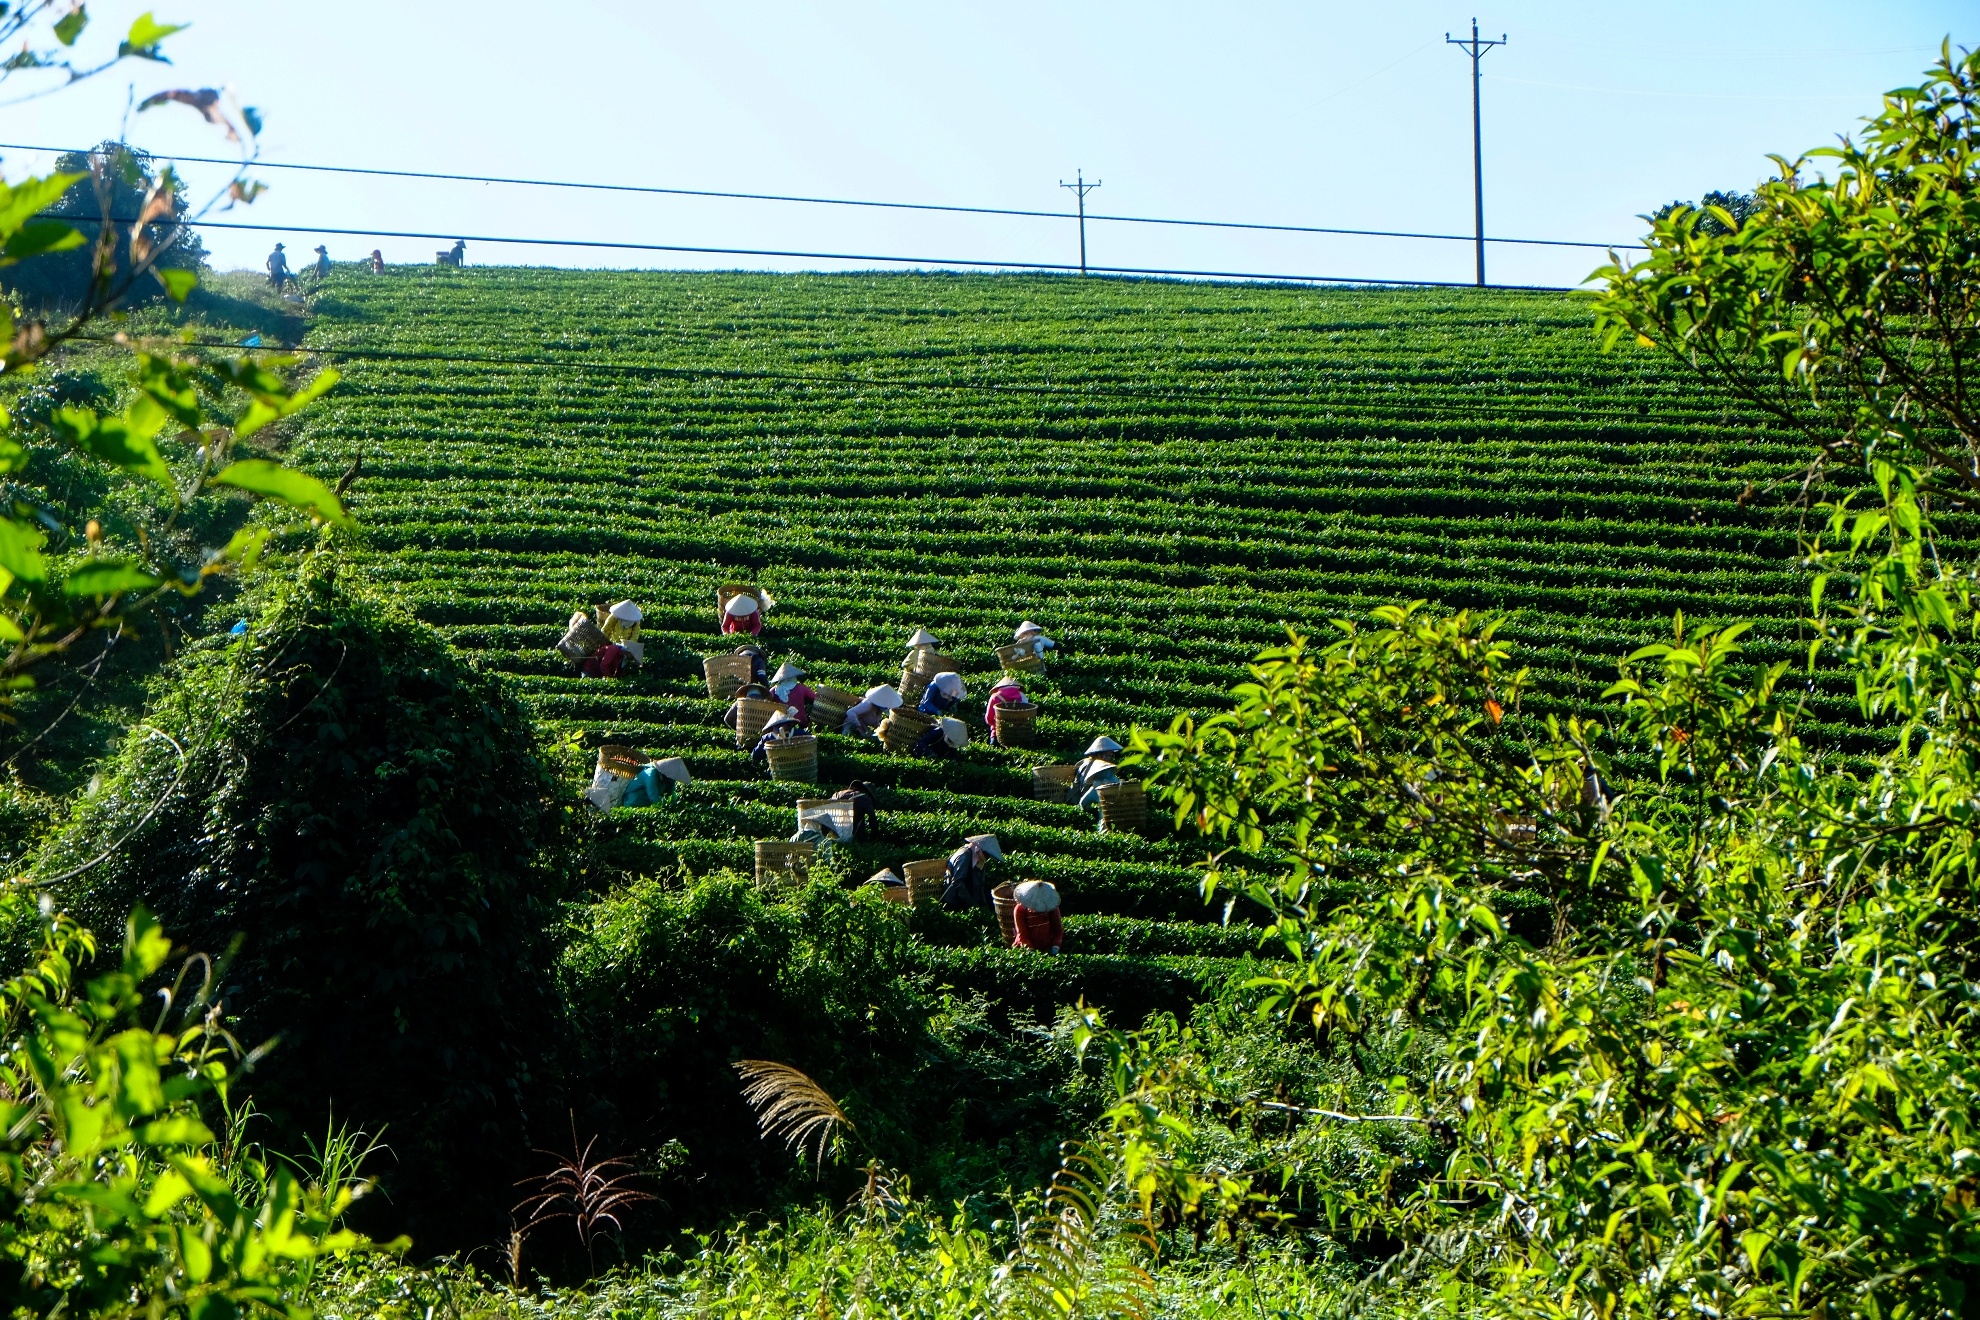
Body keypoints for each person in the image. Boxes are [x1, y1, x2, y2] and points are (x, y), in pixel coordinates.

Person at [941, 834, 1002, 912]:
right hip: (954, 902)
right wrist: (971, 905)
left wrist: (983, 907)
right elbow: (957, 882)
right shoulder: (964, 855)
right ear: (980, 849)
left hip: (966, 902)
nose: (987, 857)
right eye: (987, 854)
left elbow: (980, 885)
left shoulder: (979, 859)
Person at [1011, 880, 1063, 954]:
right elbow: (1022, 934)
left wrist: (1056, 945)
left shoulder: (1051, 906)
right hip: (1026, 946)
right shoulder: (1020, 909)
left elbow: (1058, 929)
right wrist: (1030, 949)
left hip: (1048, 945)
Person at [1072, 735, 1123, 808]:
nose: (1109, 758)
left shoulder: (1087, 763)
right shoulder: (1098, 767)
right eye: (1107, 755)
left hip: (1079, 799)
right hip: (1083, 799)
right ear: (1099, 754)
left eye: (1110, 755)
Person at [621, 757, 691, 807]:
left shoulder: (670, 778)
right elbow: (653, 796)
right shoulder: (651, 773)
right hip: (634, 802)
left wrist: (676, 805)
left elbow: (671, 794)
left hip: (648, 804)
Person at [985, 679, 1026, 745]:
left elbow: (989, 719)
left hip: (998, 734)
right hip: (1018, 734)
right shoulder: (1022, 696)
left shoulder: (995, 697)